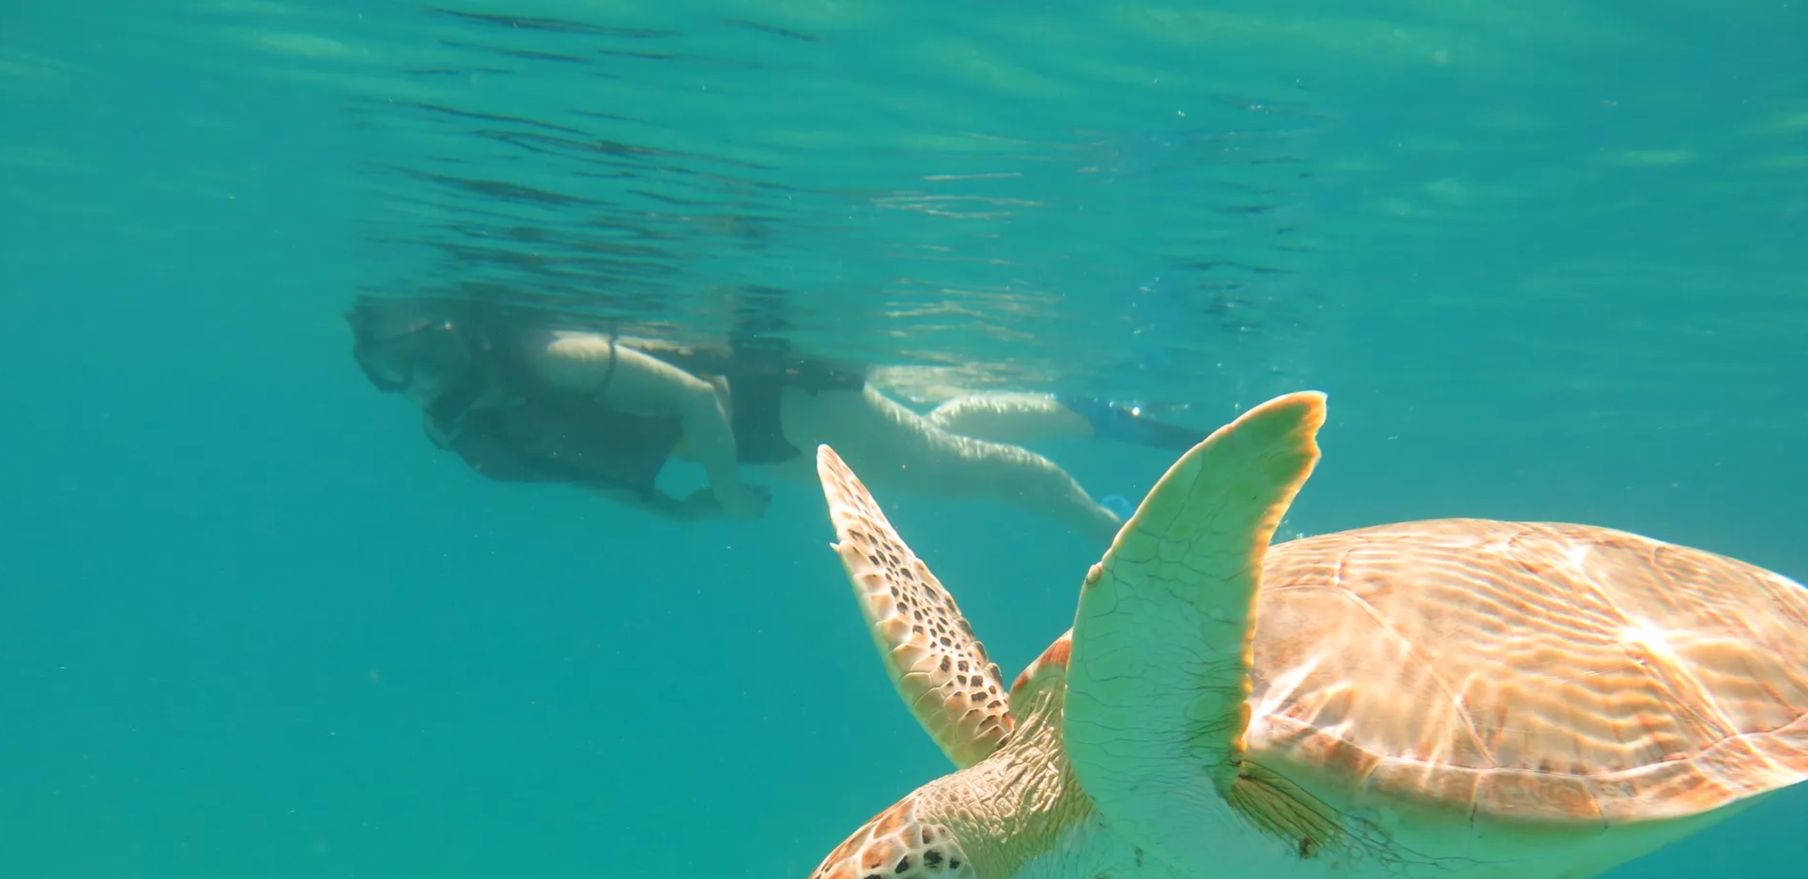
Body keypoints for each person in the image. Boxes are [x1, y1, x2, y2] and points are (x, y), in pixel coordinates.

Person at [347, 296, 1203, 541]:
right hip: (774, 440)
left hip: (783, 413)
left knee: (968, 471)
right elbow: (586, 471)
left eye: (420, 349)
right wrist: (672, 509)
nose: (414, 375)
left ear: (456, 330)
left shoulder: (547, 357)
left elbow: (696, 399)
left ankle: (1108, 529)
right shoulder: (470, 420)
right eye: (389, 367)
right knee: (939, 441)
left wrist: (717, 487)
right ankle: (1092, 418)